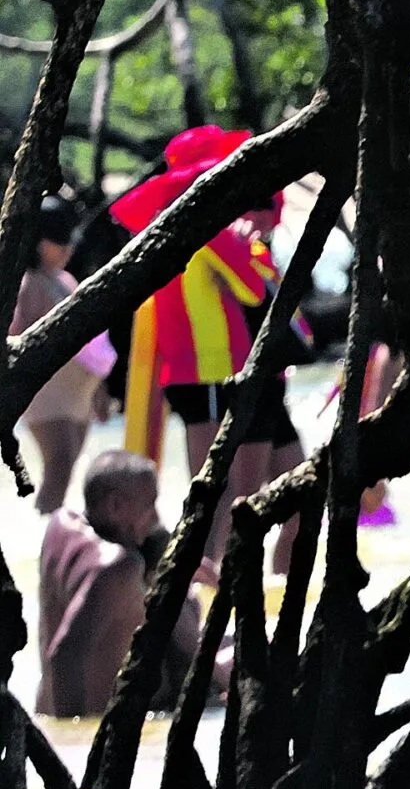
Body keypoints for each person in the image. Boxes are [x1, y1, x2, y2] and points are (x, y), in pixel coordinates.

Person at [110, 127, 276, 471]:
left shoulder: (162, 224)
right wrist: (245, 248)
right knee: (218, 484)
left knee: (205, 480)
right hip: (214, 367)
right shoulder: (211, 227)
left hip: (179, 368)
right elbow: (254, 291)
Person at [35, 450, 201, 718]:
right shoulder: (118, 567)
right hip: (97, 724)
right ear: (114, 506)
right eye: (150, 504)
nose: (155, 516)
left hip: (45, 711)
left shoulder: (61, 525)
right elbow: (65, 654)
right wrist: (71, 744)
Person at [13, 196, 114, 514]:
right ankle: (49, 546)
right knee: (59, 468)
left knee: (66, 470)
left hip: (77, 395)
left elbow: (88, 344)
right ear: (36, 241)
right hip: (47, 395)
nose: (68, 249)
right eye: (58, 241)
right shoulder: (27, 284)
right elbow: (16, 339)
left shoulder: (64, 280)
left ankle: (53, 540)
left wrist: (99, 389)